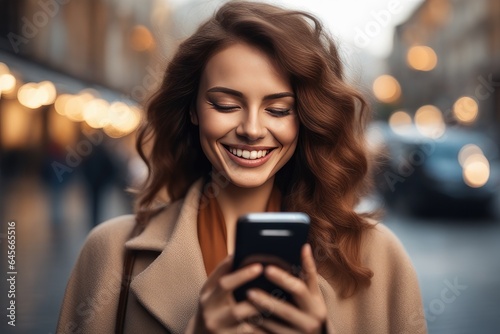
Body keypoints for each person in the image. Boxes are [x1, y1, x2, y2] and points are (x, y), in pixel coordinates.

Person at [57, 1, 427, 333]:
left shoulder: (379, 260)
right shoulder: (110, 254)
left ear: (306, 119)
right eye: (225, 104)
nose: (251, 130)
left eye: (278, 109)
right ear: (193, 110)